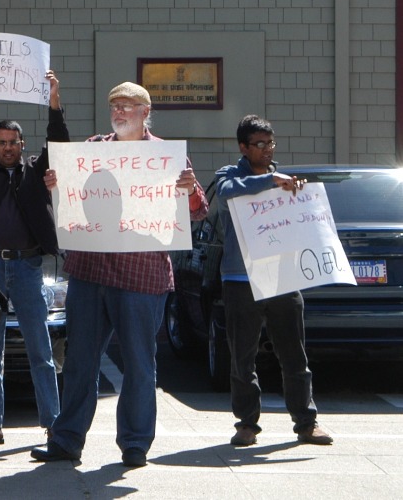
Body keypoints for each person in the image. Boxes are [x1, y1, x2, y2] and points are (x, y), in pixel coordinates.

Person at [33, 81, 207, 469]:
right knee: (80, 359)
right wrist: (56, 186)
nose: (120, 111)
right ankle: (66, 439)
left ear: (146, 112)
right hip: (90, 272)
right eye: (115, 105)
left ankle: (134, 444)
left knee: (139, 363)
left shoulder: (165, 157)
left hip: (141, 277)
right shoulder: (92, 150)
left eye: (129, 105)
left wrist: (190, 190)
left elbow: (197, 211)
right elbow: (69, 198)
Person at [214, 115, 333, 448]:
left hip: (283, 278)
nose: (267, 150)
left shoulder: (286, 180)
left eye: (271, 143)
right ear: (243, 147)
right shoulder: (230, 176)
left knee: (294, 356)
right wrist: (270, 181)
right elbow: (226, 193)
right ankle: (247, 425)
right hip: (241, 280)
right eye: (260, 144)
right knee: (242, 358)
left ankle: (306, 424)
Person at [0, 73, 66, 446]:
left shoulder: (37, 171)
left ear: (22, 144)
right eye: (1, 142)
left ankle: (53, 423)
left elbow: (59, 143)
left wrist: (53, 99)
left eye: (12, 142)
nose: (6, 148)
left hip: (28, 267)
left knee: (41, 350)